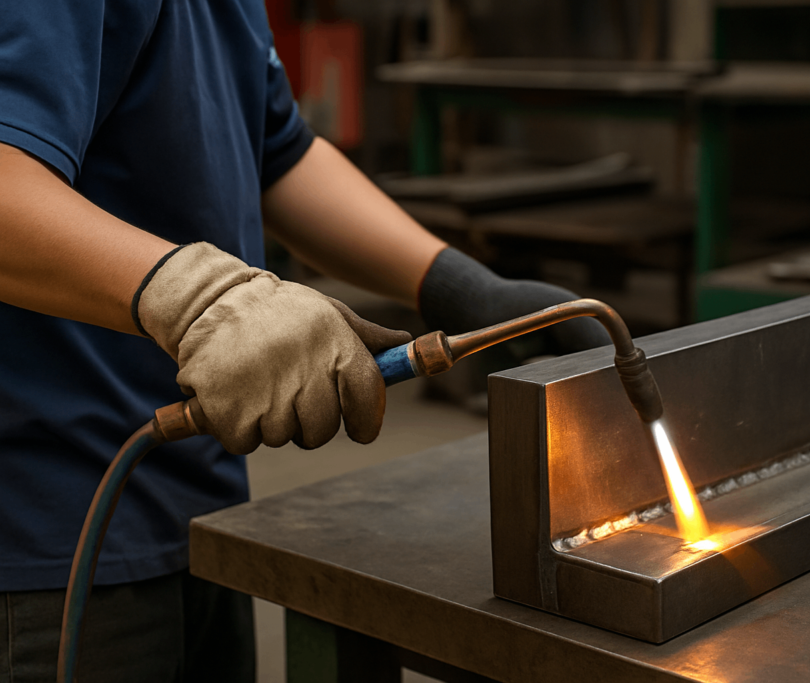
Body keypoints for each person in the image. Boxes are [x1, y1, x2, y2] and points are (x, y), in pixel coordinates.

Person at [0, 2, 606, 681]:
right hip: (53, 535)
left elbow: (281, 154)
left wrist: (461, 287)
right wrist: (203, 297)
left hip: (197, 499)